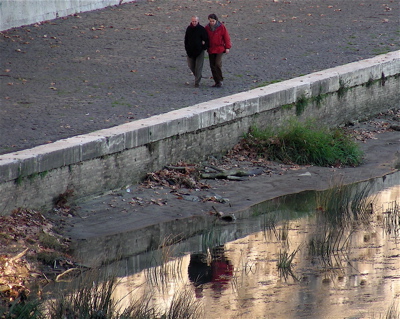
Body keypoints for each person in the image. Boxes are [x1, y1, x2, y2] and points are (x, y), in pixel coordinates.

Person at [205, 13, 231, 88]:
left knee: (217, 64)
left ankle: (220, 79)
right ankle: (216, 81)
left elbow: (226, 37)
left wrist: (227, 47)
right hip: (211, 49)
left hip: (219, 48)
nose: (212, 23)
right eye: (210, 21)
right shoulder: (207, 28)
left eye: (213, 21)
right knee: (212, 65)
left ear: (216, 20)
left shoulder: (221, 27)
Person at [184, 16, 209, 88]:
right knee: (191, 65)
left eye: (195, 21)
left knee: (198, 67)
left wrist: (204, 48)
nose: (194, 23)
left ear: (198, 21)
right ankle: (198, 76)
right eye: (193, 21)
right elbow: (186, 39)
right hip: (190, 51)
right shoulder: (189, 29)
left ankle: (197, 82)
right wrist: (187, 48)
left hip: (199, 51)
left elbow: (206, 39)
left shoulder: (201, 29)